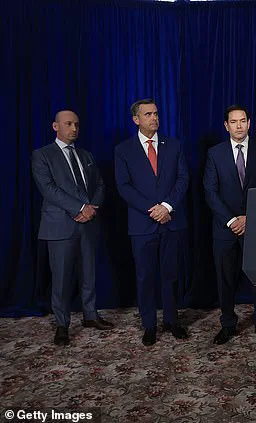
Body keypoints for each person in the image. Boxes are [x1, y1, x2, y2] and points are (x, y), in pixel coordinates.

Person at [32, 110, 114, 346]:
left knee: (89, 272)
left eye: (77, 124)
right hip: (60, 225)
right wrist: (79, 208)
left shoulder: (86, 155)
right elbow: (48, 188)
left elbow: (99, 184)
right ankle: (62, 324)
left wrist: (92, 208)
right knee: (61, 277)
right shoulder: (42, 155)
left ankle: (90, 315)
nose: (74, 128)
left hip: (88, 223)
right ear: (55, 126)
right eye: (68, 124)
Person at [114, 98, 189, 346]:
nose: (154, 118)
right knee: (145, 276)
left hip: (171, 220)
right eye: (148, 114)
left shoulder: (173, 145)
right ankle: (149, 325)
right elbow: (124, 186)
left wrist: (166, 206)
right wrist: (153, 209)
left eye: (156, 113)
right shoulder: (123, 150)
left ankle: (172, 320)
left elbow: (182, 179)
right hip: (142, 224)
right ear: (136, 119)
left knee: (171, 274)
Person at [203, 105, 256, 344]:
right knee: (225, 280)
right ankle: (228, 324)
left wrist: (250, 217)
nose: (239, 126)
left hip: (255, 226)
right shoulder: (215, 153)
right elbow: (210, 191)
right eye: (234, 122)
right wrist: (232, 220)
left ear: (249, 123)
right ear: (226, 126)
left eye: (243, 120)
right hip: (225, 228)